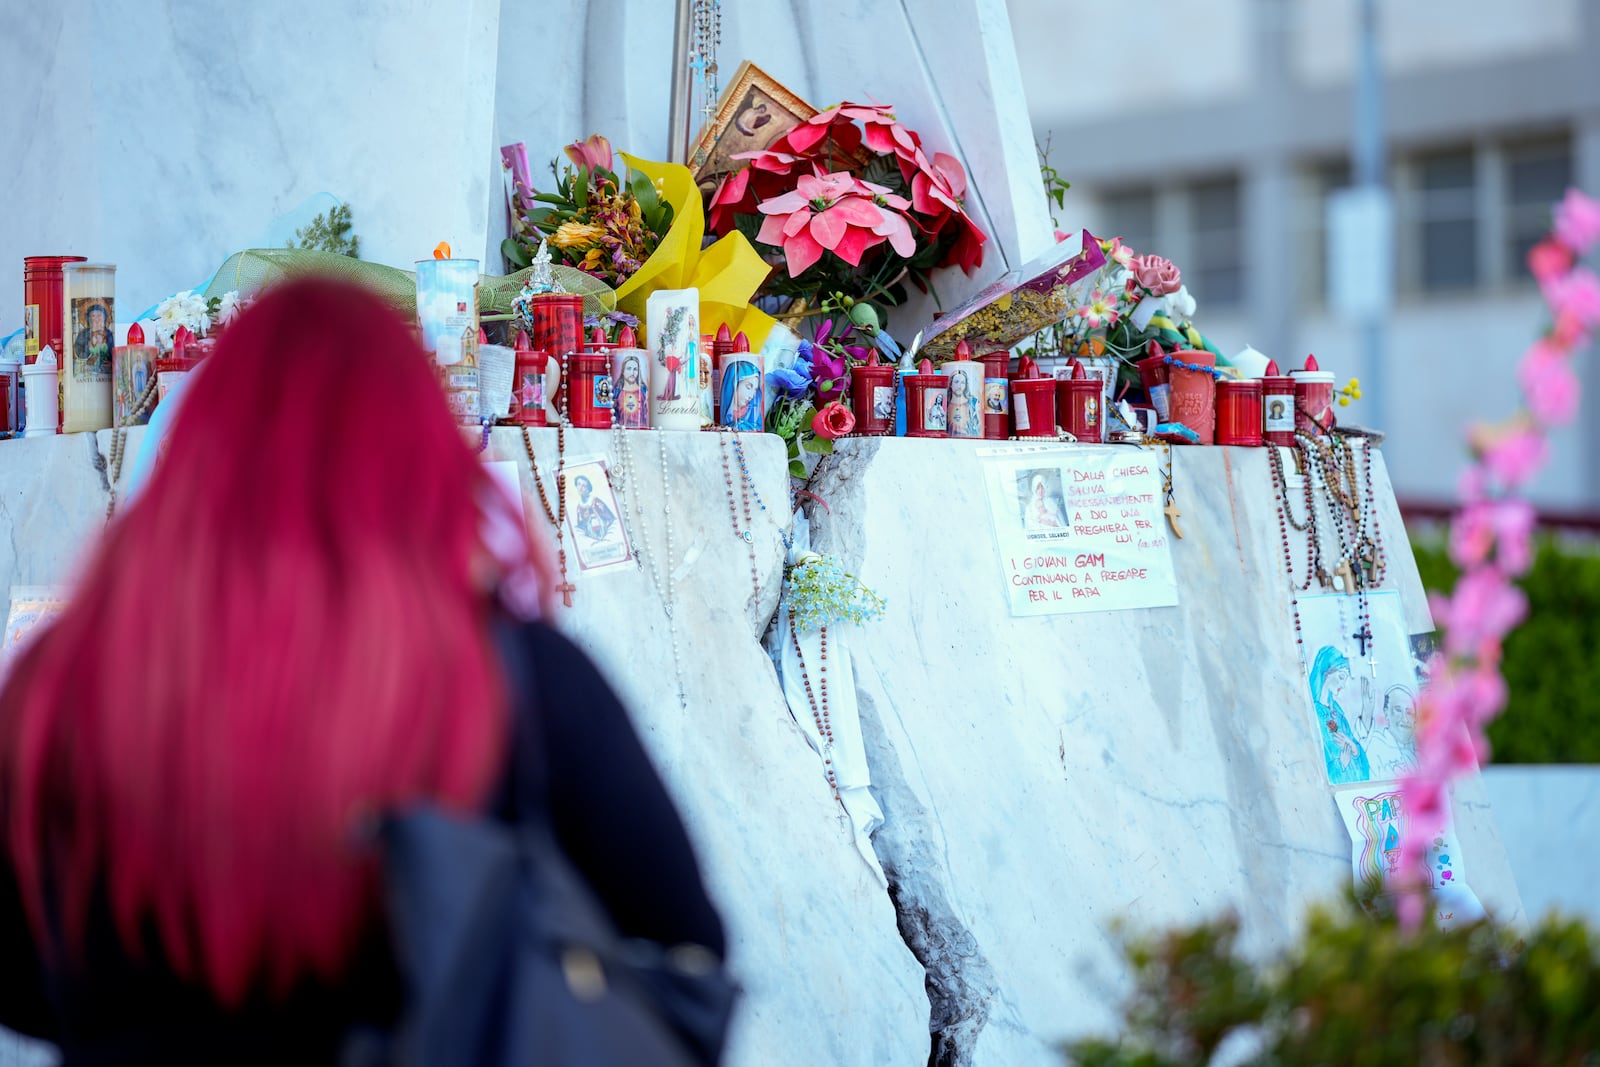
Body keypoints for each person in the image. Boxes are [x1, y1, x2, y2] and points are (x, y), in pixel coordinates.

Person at [0, 279, 725, 1065]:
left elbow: (16, 974)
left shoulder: (62, 680)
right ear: (423, 457)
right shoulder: (520, 681)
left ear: (195, 456)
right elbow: (684, 958)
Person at [1309, 646, 1371, 784]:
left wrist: (1354, 748)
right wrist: (1340, 764)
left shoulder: (1337, 713)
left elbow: (1353, 745)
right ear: (1326, 672)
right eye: (1341, 676)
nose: (1343, 684)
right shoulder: (1312, 712)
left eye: (1346, 679)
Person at [719, 360, 763, 431]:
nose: (751, 396)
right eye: (748, 387)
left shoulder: (754, 414)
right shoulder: (726, 414)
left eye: (755, 390)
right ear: (734, 384)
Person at [572, 473, 617, 542]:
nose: (581, 488)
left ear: (588, 489)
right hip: (590, 538)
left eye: (584, 486)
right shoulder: (579, 506)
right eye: (579, 484)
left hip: (604, 534)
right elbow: (580, 525)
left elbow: (609, 517)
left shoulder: (596, 501)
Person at [616, 354, 647, 428]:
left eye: (635, 369)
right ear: (623, 371)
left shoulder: (643, 390)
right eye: (629, 369)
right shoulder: (617, 391)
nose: (632, 373)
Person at [946, 369, 980, 437]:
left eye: (962, 383)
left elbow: (978, 427)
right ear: (951, 384)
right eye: (956, 382)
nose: (960, 386)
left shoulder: (973, 403)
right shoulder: (945, 403)